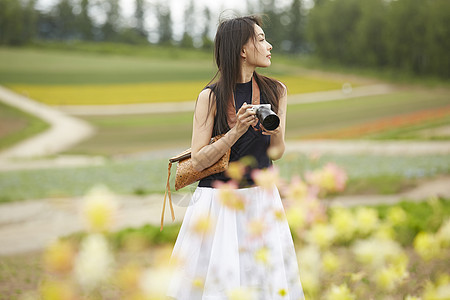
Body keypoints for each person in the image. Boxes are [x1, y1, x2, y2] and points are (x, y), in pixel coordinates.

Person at [167, 15, 304, 300]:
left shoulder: (276, 91)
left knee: (266, 283)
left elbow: (277, 153)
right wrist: (236, 131)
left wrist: (274, 129)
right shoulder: (211, 97)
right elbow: (199, 160)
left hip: (261, 199)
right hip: (218, 203)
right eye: (262, 39)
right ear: (243, 50)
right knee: (217, 287)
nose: (270, 46)